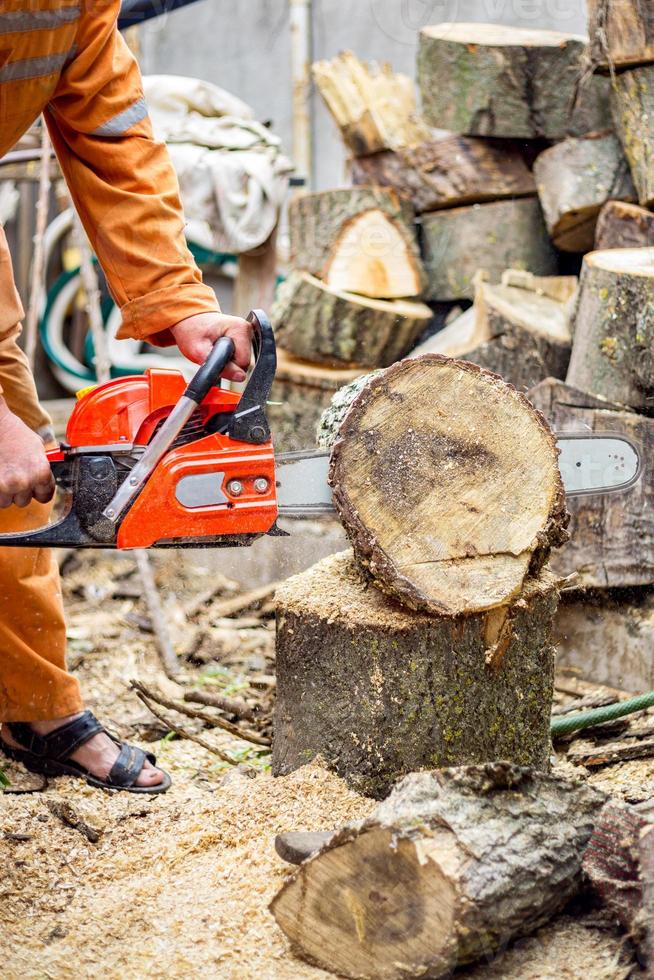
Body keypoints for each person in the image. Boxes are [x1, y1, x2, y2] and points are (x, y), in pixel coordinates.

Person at [0, 2, 253, 793]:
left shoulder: (74, 9)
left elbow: (116, 141)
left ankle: (30, 705)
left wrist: (176, 302)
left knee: (14, 467)